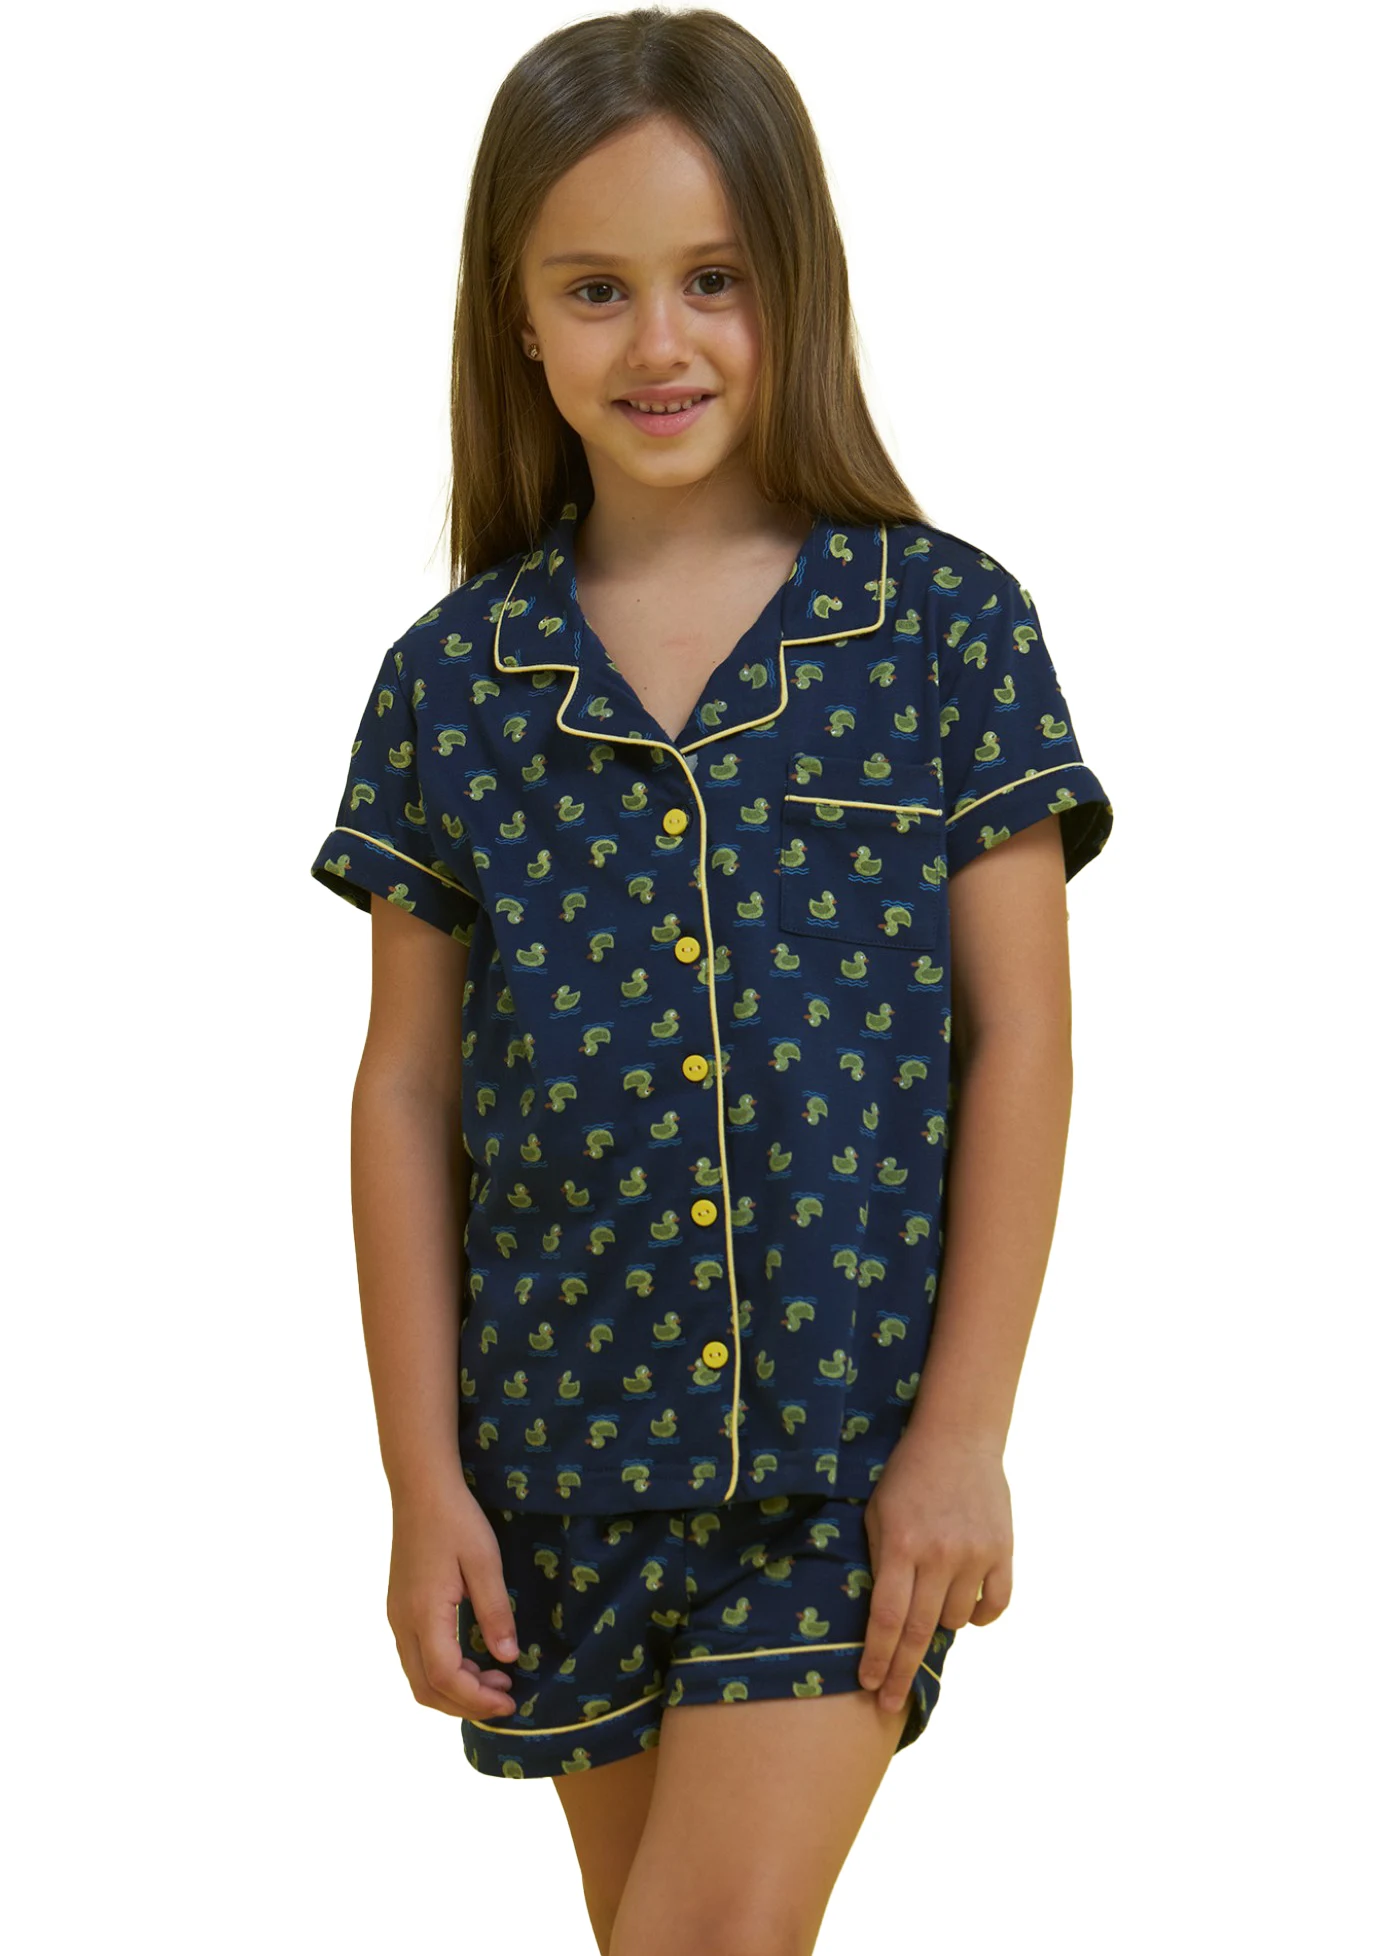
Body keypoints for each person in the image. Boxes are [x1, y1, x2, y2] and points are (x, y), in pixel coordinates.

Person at [308, 8, 1113, 1952]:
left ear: (792, 289)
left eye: (713, 281)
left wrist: (960, 1436)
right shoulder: (450, 683)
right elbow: (405, 1093)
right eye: (595, 289)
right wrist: (421, 1485)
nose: (656, 341)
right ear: (517, 319)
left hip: (840, 1458)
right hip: (554, 1464)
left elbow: (1019, 1039)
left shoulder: (941, 629)